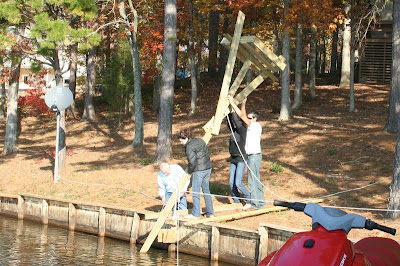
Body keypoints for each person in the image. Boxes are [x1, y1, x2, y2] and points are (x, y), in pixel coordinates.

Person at [228, 96, 265, 209]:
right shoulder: (250, 126)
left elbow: (242, 116)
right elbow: (242, 115)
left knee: (252, 180)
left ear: (255, 119)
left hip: (254, 156)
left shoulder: (254, 126)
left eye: (250, 117)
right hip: (252, 156)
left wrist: (232, 103)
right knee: (256, 179)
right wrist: (243, 103)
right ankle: (261, 201)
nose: (246, 119)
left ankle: (255, 204)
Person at [178, 129, 214, 219]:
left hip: (199, 170)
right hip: (208, 168)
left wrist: (189, 173)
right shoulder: (200, 140)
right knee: (206, 191)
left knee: (195, 192)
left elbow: (192, 162)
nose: (181, 142)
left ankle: (195, 214)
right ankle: (210, 212)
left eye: (181, 140)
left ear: (185, 138)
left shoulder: (189, 147)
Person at [226, 111, 252, 210]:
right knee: (231, 182)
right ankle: (236, 199)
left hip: (241, 159)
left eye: (238, 123)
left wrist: (233, 112)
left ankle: (249, 198)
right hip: (233, 158)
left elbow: (236, 121)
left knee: (238, 183)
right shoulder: (234, 130)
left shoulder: (243, 131)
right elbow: (229, 122)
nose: (236, 124)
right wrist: (227, 113)